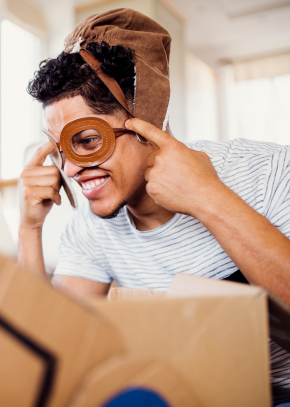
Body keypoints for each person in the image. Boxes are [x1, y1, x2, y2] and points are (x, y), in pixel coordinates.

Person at [17, 8, 290, 405]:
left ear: (146, 120)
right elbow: (56, 348)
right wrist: (29, 230)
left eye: (88, 141)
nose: (71, 168)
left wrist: (207, 197)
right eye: (60, 148)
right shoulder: (92, 224)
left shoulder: (268, 170)